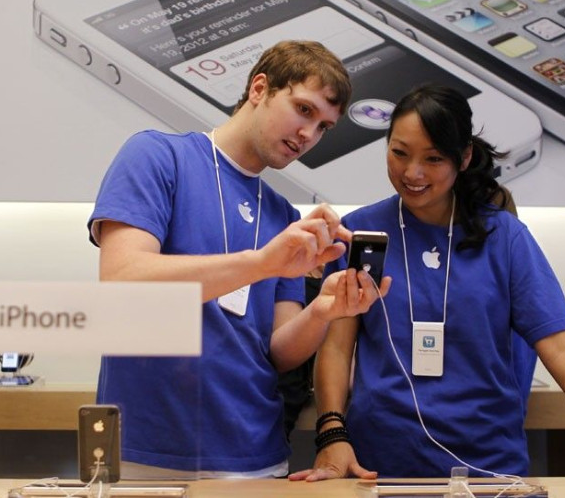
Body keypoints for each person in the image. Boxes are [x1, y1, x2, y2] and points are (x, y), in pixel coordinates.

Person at [289, 84, 565, 481]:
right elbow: (336, 346)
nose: (412, 172)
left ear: (464, 157)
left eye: (433, 159)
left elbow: (560, 346)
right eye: (399, 152)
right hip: (378, 469)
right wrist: (332, 434)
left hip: (489, 471)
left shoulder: (504, 238)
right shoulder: (361, 231)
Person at [86, 40, 390, 479]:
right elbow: (122, 280)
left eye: (323, 126)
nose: (309, 135)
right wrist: (262, 262)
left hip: (255, 454)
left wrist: (324, 310)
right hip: (146, 449)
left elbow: (278, 352)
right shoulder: (158, 156)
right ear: (259, 88)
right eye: (303, 110)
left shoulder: (284, 215)